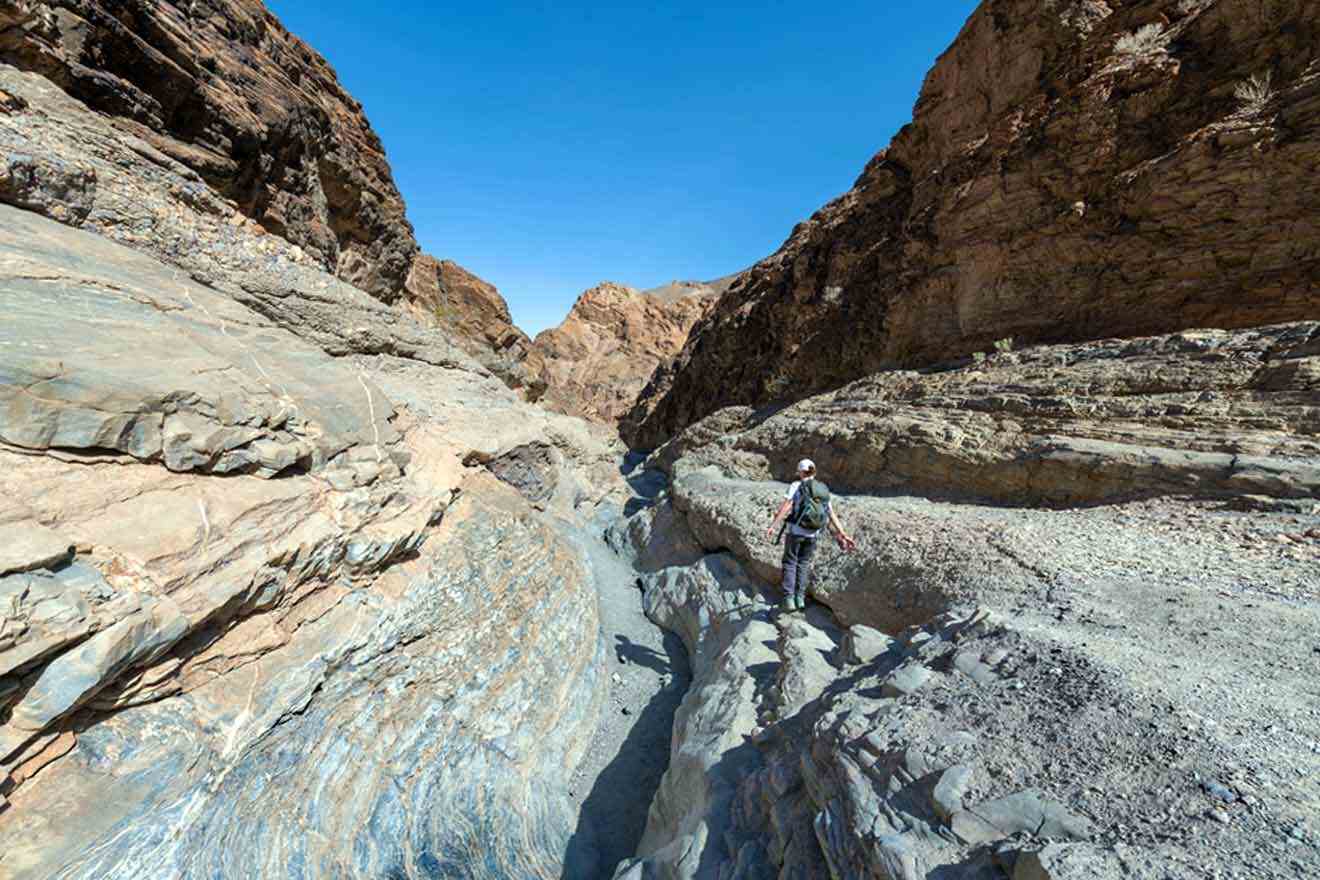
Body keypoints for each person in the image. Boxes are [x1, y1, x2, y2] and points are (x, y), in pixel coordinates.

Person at [764, 458, 857, 612]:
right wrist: (843, 533)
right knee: (804, 563)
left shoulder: (796, 485)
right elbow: (830, 514)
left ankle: (788, 599)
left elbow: (786, 507)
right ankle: (800, 598)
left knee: (790, 562)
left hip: (796, 531)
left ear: (801, 471)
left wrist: (773, 525)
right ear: (814, 471)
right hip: (813, 534)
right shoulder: (822, 489)